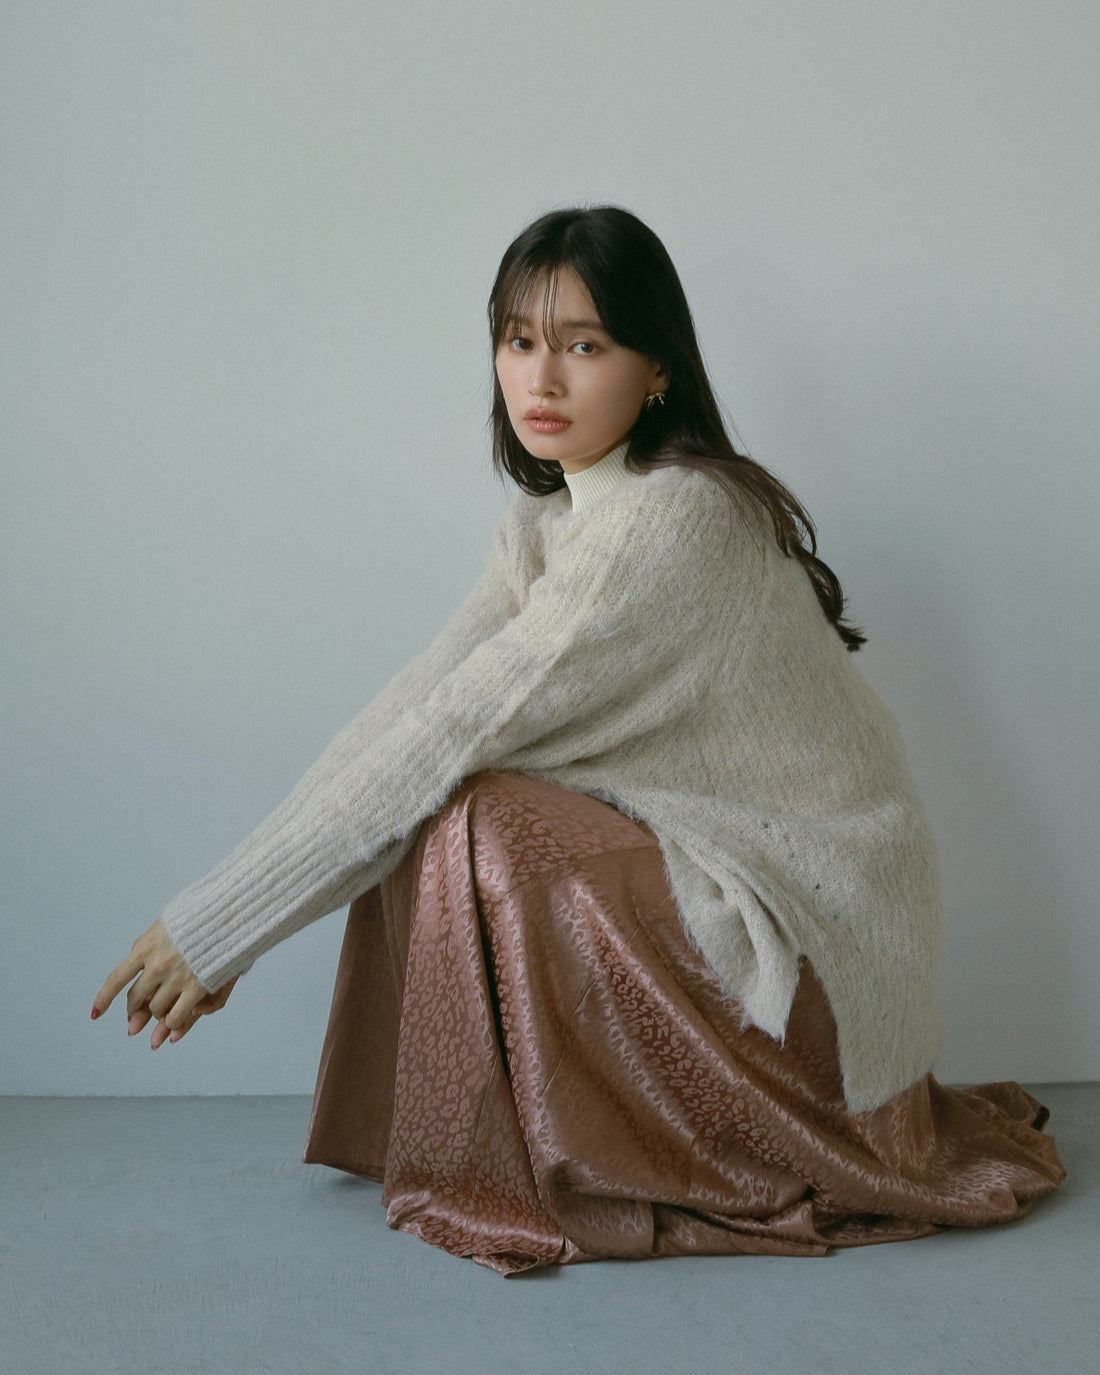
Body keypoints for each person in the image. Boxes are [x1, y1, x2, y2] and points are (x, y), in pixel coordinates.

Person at [93, 206, 1063, 1273]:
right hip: (728, 885)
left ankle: (553, 1158)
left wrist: (223, 928)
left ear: (657, 370)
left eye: (583, 345)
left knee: (475, 813)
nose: (540, 379)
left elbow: (444, 741)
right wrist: (221, 915)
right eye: (517, 340)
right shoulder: (547, 525)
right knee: (437, 795)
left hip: (815, 948)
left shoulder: (672, 521)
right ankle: (492, 1139)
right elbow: (408, 715)